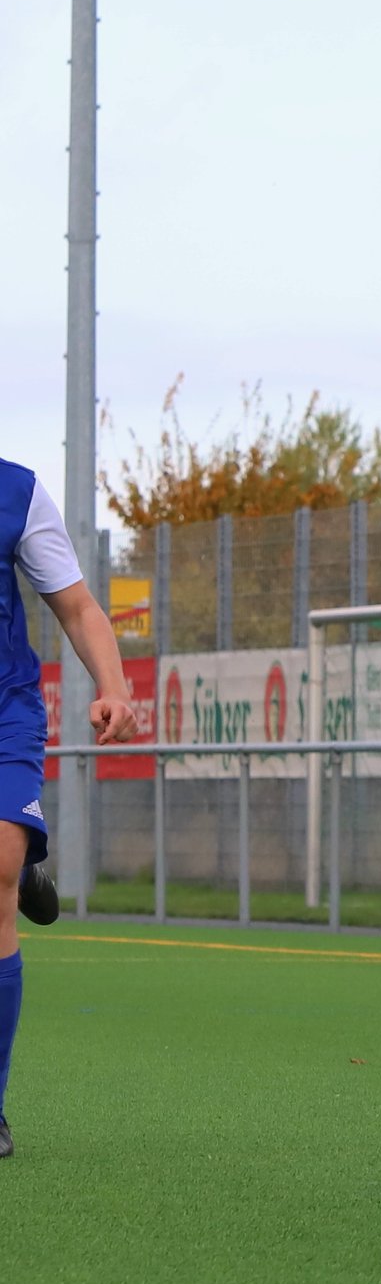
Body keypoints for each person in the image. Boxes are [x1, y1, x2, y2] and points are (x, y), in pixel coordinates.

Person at [0, 460, 139, 1159]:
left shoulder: (17, 492)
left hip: (4, 712)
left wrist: (114, 686)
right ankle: (22, 868)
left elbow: (78, 607)